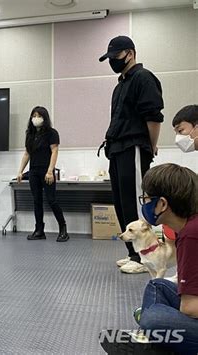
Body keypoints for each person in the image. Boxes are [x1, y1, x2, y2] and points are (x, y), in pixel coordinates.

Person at [100, 163, 198, 354]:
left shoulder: (190, 236)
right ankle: (150, 343)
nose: (144, 204)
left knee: (154, 320)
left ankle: (149, 346)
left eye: (146, 199)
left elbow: (191, 308)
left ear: (162, 204)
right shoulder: (189, 228)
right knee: (157, 285)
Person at [99, 35, 164, 274]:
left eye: (115, 56)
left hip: (135, 146)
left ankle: (145, 257)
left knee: (137, 201)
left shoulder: (143, 79)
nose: (112, 61)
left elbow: (154, 117)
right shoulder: (120, 85)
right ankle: (133, 253)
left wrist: (151, 145)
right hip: (116, 149)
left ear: (130, 53)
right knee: (121, 202)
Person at [16, 106, 69, 242]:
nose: (36, 118)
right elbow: (27, 153)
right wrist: (20, 171)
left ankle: (63, 229)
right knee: (36, 201)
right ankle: (39, 230)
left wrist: (50, 171)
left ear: (44, 118)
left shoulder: (52, 133)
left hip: (47, 171)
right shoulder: (30, 134)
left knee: (52, 200)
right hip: (33, 171)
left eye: (39, 116)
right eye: (34, 115)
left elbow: (54, 151)